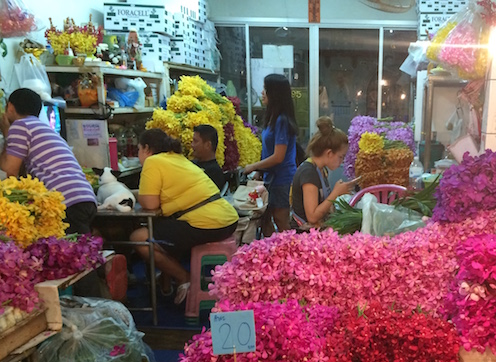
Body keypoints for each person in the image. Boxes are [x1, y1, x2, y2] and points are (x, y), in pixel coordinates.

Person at [131, 128, 238, 305]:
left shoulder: (153, 162)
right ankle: (169, 283)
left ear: (147, 149)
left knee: (139, 238)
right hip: (225, 218)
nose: (138, 155)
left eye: (139, 150)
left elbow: (149, 203)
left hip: (208, 222)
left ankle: (184, 277)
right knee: (167, 230)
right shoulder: (176, 159)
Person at [0, 88, 97, 235]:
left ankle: (108, 257)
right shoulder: (44, 128)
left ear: (11, 107)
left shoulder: (20, 126)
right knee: (82, 247)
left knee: (76, 252)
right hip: (85, 196)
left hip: (65, 200)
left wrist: (6, 131)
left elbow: (10, 171)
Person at [243, 74, 298, 236]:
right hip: (270, 178)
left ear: (274, 94)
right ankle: (270, 254)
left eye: (265, 89)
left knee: (280, 220)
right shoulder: (273, 118)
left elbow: (278, 157)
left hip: (281, 180)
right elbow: (267, 150)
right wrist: (260, 171)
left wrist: (253, 166)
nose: (262, 93)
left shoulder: (282, 121)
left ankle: (290, 256)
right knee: (265, 219)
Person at [291, 117, 356, 228]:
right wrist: (336, 193)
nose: (342, 161)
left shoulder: (321, 169)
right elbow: (312, 216)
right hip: (303, 235)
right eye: (341, 157)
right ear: (329, 153)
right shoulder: (309, 173)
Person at [191, 124, 226, 192]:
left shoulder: (215, 173)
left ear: (207, 145)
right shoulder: (191, 164)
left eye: (195, 141)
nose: (192, 145)